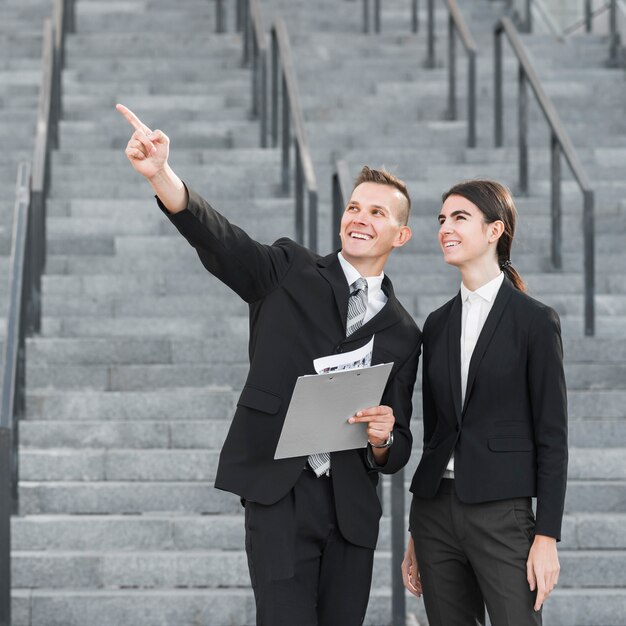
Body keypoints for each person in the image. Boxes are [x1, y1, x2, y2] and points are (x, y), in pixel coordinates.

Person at [117, 103, 422, 626]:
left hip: (351, 512)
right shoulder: (289, 269)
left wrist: (383, 438)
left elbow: (397, 449)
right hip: (280, 493)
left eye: (377, 213)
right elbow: (222, 242)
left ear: (401, 235)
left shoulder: (404, 332)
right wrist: (163, 176)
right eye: (354, 207)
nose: (360, 219)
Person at [402, 179, 567, 625]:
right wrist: (417, 531)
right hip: (435, 512)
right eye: (441, 219)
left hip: (503, 513)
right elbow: (437, 432)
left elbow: (553, 436)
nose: (445, 229)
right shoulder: (436, 325)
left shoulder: (534, 322)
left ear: (495, 230)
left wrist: (547, 534)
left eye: (459, 218)